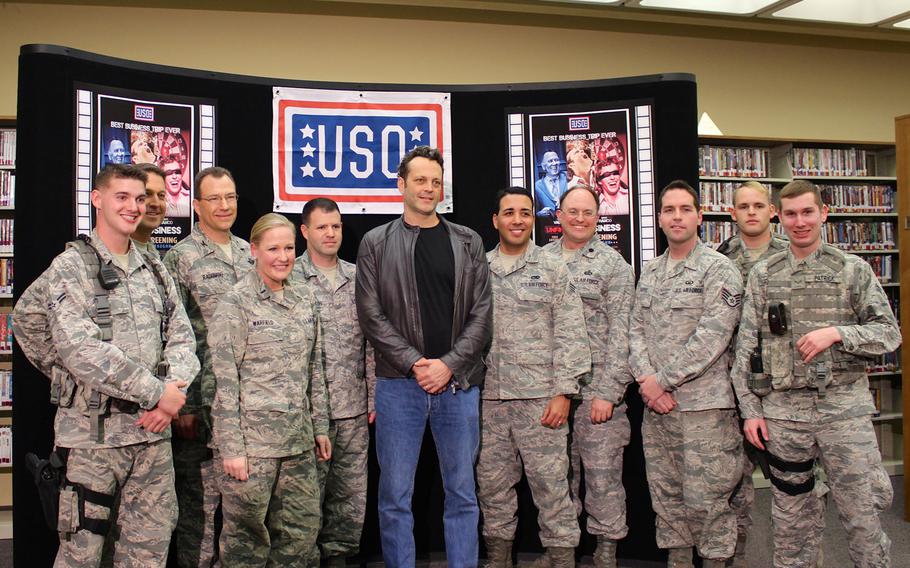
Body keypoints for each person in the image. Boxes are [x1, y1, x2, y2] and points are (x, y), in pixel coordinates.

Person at [14, 164, 199, 567]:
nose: (134, 207)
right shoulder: (72, 266)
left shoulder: (154, 267)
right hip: (92, 440)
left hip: (151, 438)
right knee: (82, 555)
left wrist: (169, 396)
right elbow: (78, 348)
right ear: (97, 199)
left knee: (146, 554)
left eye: (140, 198)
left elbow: (183, 338)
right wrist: (154, 393)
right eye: (122, 197)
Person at [731, 180, 900, 568]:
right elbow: (746, 349)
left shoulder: (851, 269)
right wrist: (751, 411)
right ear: (779, 217)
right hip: (784, 417)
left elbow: (889, 334)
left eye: (808, 212)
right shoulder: (763, 274)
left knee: (862, 518)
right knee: (791, 523)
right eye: (790, 214)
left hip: (843, 414)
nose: (799, 222)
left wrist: (838, 332)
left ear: (824, 213)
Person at [355, 146, 492, 567]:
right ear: (401, 185)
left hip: (457, 388)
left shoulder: (468, 241)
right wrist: (417, 363)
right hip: (399, 386)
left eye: (436, 181)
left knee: (462, 493)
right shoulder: (375, 243)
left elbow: (482, 316)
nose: (429, 188)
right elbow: (371, 316)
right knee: (395, 496)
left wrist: (447, 365)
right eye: (420, 180)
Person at [629, 180, 744, 568]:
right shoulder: (651, 272)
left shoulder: (719, 269)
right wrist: (647, 382)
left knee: (708, 504)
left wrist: (660, 381)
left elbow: (712, 336)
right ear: (659, 218)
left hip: (704, 413)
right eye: (669, 210)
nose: (676, 216)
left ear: (699, 215)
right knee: (668, 503)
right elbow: (635, 331)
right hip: (658, 412)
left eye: (684, 209)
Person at [210, 213, 331, 568]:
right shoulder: (236, 303)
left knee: (300, 537)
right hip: (252, 450)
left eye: (289, 248)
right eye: (273, 248)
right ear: (254, 250)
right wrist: (231, 448)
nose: (283, 257)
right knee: (246, 543)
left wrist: (320, 427)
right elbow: (224, 383)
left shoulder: (306, 298)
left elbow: (315, 368)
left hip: (298, 444)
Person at [479, 186, 590, 568]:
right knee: (492, 490)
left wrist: (564, 393)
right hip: (489, 402)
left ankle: (562, 559)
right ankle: (498, 558)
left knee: (552, 490)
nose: (517, 220)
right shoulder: (478, 268)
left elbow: (572, 332)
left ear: (533, 219)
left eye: (524, 213)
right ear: (495, 220)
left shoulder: (553, 268)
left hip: (541, 403)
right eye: (508, 212)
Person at [163, 166, 254, 568]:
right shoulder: (180, 258)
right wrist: (181, 405)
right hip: (199, 408)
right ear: (196, 205)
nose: (224, 206)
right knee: (198, 518)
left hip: (245, 408)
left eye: (230, 197)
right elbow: (168, 335)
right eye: (214, 198)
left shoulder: (251, 253)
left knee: (242, 520)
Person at [715, 180, 809, 567]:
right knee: (732, 487)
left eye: (758, 205)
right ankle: (732, 559)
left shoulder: (793, 256)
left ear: (772, 211)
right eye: (743, 206)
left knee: (797, 490)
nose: (751, 212)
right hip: (731, 389)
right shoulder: (720, 258)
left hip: (783, 390)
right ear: (731, 213)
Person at [543, 185, 634, 568]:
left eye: (588, 213)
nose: (579, 219)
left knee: (602, 480)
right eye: (572, 211)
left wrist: (609, 393)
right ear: (558, 215)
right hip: (550, 393)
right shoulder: (540, 261)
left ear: (599, 218)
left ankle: (605, 554)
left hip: (597, 393)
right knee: (556, 480)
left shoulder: (614, 266)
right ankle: (560, 552)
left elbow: (624, 334)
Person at [293, 198, 373, 567]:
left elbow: (373, 342)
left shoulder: (358, 277)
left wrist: (373, 395)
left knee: (350, 495)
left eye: (336, 226)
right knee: (305, 499)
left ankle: (340, 557)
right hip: (307, 413)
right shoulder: (288, 277)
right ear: (305, 231)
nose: (330, 233)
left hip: (353, 407)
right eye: (322, 226)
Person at [131, 163, 169, 257]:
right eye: (147, 194)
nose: (155, 203)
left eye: (161, 195)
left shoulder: (153, 253)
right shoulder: (99, 256)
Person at [534, 151, 567, 217]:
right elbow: (534, 213)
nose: (554, 163)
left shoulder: (568, 177)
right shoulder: (537, 186)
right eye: (550, 161)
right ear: (544, 166)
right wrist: (539, 214)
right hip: (548, 224)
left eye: (556, 160)